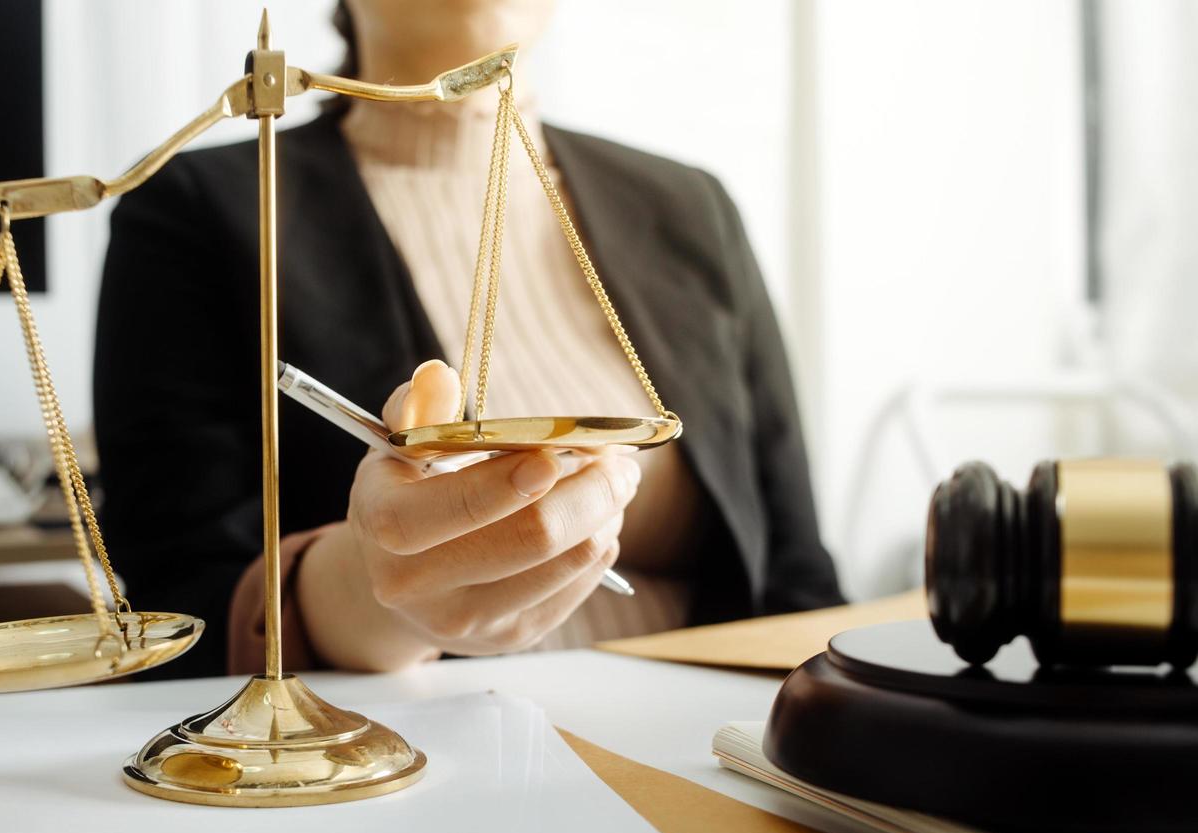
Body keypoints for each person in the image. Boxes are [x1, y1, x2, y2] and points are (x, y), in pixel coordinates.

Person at [94, 0, 842, 678]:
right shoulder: (198, 214)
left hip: (707, 742)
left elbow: (794, 570)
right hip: (409, 761)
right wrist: (376, 588)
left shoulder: (687, 207)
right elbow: (181, 603)